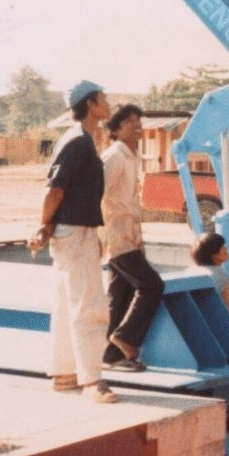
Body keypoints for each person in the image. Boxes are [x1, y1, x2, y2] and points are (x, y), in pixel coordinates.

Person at [26, 80, 117, 404]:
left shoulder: (82, 140)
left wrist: (50, 226)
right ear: (90, 103)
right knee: (90, 306)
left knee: (68, 304)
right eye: (103, 98)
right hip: (75, 232)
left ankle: (64, 373)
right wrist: (43, 224)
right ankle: (93, 381)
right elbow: (54, 189)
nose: (108, 104)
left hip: (76, 231)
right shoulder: (78, 140)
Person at [100, 104, 164, 371]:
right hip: (117, 235)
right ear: (114, 129)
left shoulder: (131, 156)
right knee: (151, 285)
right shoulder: (114, 157)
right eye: (129, 121)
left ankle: (111, 356)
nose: (137, 125)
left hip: (130, 234)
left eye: (139, 120)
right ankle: (125, 338)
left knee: (120, 293)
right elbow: (95, 194)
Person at [188, 232, 229, 325]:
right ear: (213, 254)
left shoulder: (190, 271)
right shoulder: (219, 274)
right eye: (222, 247)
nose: (226, 249)